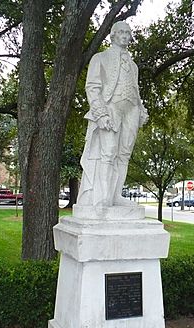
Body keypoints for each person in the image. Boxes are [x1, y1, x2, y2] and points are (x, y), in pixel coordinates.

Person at [76, 21, 148, 207]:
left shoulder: (133, 66)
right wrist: (100, 114)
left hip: (131, 109)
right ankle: (103, 197)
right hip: (111, 108)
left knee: (124, 154)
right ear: (113, 35)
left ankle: (116, 195)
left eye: (128, 32)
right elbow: (92, 87)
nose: (125, 35)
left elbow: (135, 90)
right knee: (108, 152)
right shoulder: (100, 58)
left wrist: (141, 110)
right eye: (121, 32)